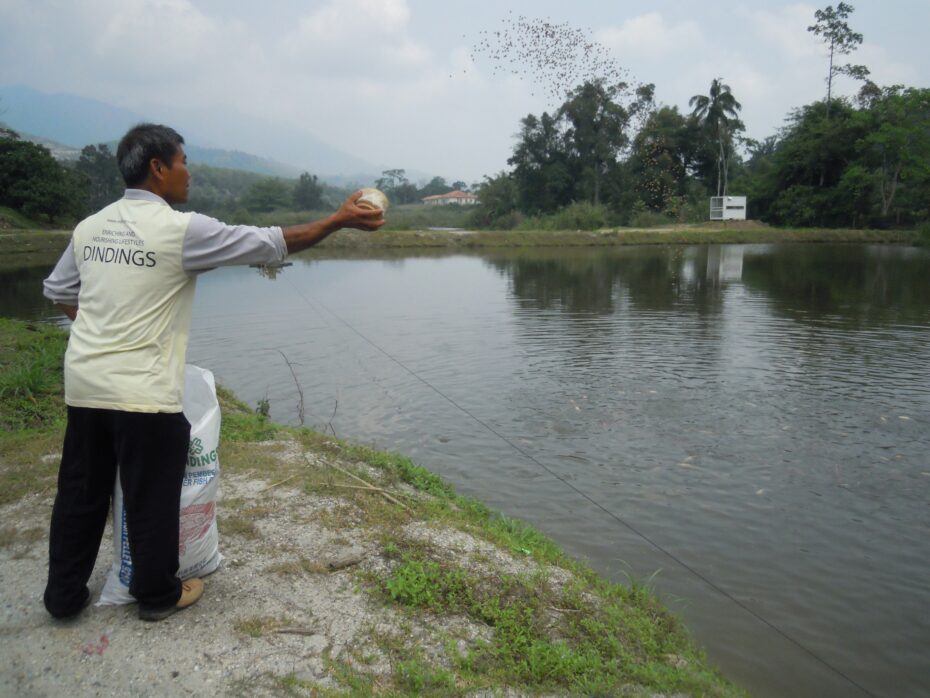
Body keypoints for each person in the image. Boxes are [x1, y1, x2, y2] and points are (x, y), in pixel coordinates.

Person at [41, 123, 384, 621]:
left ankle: (63, 596)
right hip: (143, 392)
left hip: (86, 385)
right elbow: (270, 243)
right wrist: (337, 220)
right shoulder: (182, 231)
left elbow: (58, 290)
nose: (189, 173)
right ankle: (157, 594)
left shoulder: (90, 227)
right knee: (152, 490)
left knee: (80, 491)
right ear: (158, 169)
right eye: (183, 162)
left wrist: (101, 332)